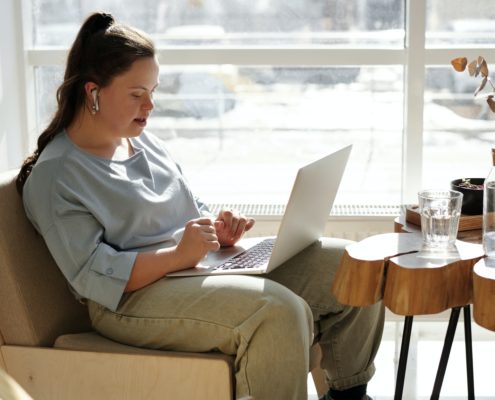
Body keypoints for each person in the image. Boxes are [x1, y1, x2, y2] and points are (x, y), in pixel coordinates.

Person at [16, 12, 384, 400]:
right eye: (137, 94)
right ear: (93, 93)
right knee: (277, 313)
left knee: (353, 265)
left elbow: (191, 209)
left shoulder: (144, 142)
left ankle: (348, 396)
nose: (150, 105)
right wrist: (178, 256)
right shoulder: (56, 176)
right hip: (129, 301)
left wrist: (217, 229)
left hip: (194, 270)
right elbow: (93, 277)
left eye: (153, 91)